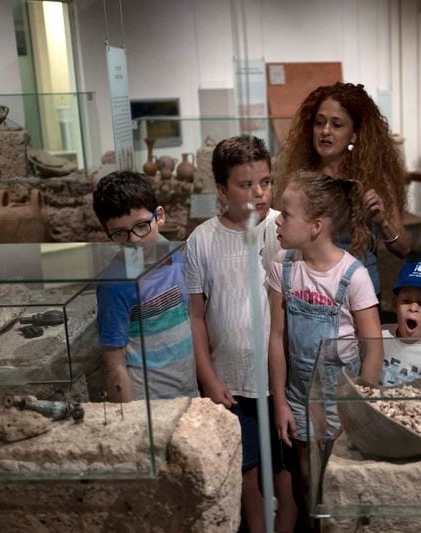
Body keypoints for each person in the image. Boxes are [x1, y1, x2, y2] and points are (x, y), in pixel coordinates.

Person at [184, 136, 295, 533]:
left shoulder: (284, 228)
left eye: (265, 181)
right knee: (245, 474)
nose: (260, 193)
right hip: (229, 382)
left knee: (284, 474)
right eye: (246, 185)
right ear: (221, 190)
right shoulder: (201, 241)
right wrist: (209, 379)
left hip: (278, 382)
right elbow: (195, 316)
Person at [267, 171, 384, 524]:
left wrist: (358, 409)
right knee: (305, 477)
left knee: (339, 478)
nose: (277, 220)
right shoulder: (282, 268)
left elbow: (373, 347)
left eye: (286, 214)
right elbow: (276, 337)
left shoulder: (353, 275)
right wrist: (281, 402)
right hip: (299, 396)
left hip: (341, 399)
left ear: (315, 225)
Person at [276, 82, 411, 296]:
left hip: (358, 292)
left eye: (336, 125)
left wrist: (383, 222)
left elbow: (403, 248)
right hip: (312, 292)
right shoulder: (300, 177)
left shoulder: (373, 178)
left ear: (355, 134)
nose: (325, 131)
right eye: (320, 123)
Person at [93, 170, 198, 402]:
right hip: (148, 405)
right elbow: (115, 365)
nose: (134, 241)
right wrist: (133, 420)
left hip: (190, 393)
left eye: (141, 226)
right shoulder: (114, 285)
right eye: (120, 234)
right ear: (107, 233)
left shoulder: (179, 258)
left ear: (159, 216)